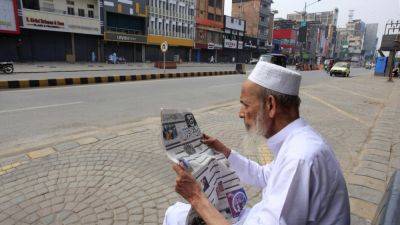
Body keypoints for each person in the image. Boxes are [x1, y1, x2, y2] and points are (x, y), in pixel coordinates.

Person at [164, 61, 350, 225]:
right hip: (259, 216)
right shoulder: (298, 142)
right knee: (175, 213)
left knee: (176, 217)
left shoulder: (299, 157)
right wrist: (224, 151)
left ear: (270, 105)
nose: (240, 113)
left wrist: (196, 198)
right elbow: (262, 175)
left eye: (245, 104)